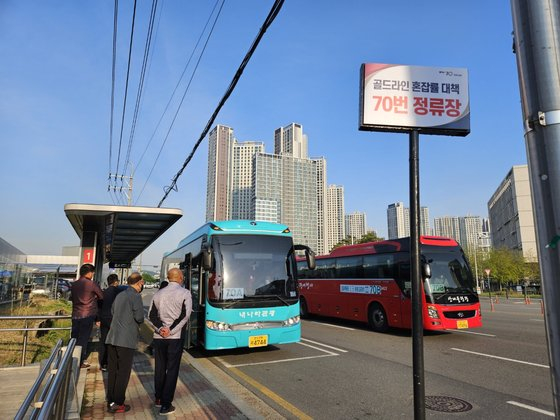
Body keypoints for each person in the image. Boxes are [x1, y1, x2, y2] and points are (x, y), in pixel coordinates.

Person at [148, 268, 192, 416]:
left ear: (168, 278)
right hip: (174, 338)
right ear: (180, 278)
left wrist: (161, 329)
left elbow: (151, 315)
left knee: (160, 368)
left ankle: (158, 398)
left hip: (159, 338)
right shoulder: (185, 293)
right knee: (172, 370)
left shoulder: (158, 294)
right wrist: (170, 330)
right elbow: (185, 316)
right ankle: (166, 405)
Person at [105, 272, 145, 414]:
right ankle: (118, 403)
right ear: (140, 282)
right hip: (126, 340)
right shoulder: (135, 296)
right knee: (123, 372)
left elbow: (112, 311)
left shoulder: (120, 295)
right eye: (142, 283)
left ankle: (110, 399)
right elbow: (140, 317)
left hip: (112, 338)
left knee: (113, 371)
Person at [70, 263, 103, 368]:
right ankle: (79, 361)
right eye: (92, 272)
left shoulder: (74, 284)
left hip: (75, 315)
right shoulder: (91, 284)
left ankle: (71, 358)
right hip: (88, 314)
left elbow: (72, 298)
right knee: (83, 339)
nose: (93, 274)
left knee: (74, 337)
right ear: (89, 273)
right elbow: (101, 296)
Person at [98, 273, 122, 371]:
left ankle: (104, 363)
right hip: (115, 319)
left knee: (104, 341)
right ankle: (113, 363)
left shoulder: (103, 293)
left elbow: (98, 307)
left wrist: (98, 319)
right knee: (115, 342)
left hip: (104, 319)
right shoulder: (119, 293)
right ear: (116, 282)